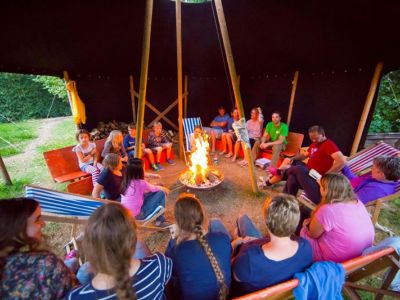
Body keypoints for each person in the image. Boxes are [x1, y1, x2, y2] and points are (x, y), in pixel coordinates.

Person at [67, 202, 172, 299]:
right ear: (134, 238)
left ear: (90, 247)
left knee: (83, 270)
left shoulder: (77, 297)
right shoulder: (159, 265)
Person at [231, 194, 313, 296]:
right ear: (296, 222)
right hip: (281, 295)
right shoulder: (306, 248)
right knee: (242, 219)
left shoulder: (249, 258)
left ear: (266, 222)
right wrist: (259, 241)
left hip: (248, 294)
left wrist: (234, 245)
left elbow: (234, 276)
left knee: (239, 219)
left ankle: (236, 234)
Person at [0, 198, 76, 299]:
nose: (43, 224)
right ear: (16, 228)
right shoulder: (44, 264)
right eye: (37, 219)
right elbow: (75, 292)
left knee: (71, 262)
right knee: (83, 267)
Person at [165, 193, 232, 300]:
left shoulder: (176, 250)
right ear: (202, 215)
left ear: (178, 222)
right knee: (215, 222)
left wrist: (177, 240)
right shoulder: (223, 238)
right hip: (226, 295)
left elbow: (170, 271)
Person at [300, 173, 375, 262]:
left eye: (321, 187)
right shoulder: (358, 202)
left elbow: (312, 234)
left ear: (326, 191)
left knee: (303, 227)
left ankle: (295, 256)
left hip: (334, 260)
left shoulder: (328, 209)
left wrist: (306, 224)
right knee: (307, 214)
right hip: (358, 256)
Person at [267, 125, 346, 204]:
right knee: (292, 176)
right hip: (308, 174)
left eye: (316, 138)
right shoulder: (314, 144)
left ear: (323, 134)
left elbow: (342, 161)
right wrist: (292, 159)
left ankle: (282, 172)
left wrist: (326, 176)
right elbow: (303, 156)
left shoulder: (329, 145)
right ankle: (286, 202)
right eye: (312, 139)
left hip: (317, 180)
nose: (314, 140)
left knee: (299, 169)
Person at [121, 157, 171, 228]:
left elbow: (149, 189)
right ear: (139, 171)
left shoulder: (126, 180)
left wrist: (154, 182)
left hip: (127, 214)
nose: (144, 170)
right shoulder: (141, 183)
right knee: (161, 192)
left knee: (153, 192)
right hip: (139, 215)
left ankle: (158, 216)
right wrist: (164, 188)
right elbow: (155, 188)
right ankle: (160, 221)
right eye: (143, 168)